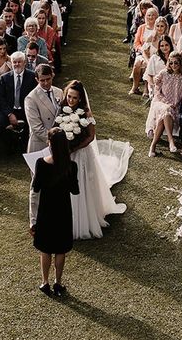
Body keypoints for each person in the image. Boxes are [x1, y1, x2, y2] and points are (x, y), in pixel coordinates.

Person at [58, 80, 130, 240]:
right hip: (66, 154)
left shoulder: (86, 113)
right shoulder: (62, 110)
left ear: (80, 99)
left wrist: (74, 148)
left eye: (74, 98)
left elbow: (91, 136)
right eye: (69, 96)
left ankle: (85, 218)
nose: (71, 100)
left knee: (82, 184)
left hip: (81, 154)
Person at [29, 127, 80, 297]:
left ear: (49, 144)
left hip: (45, 211)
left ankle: (45, 282)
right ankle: (58, 283)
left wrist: (32, 219)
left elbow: (34, 192)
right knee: (60, 250)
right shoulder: (71, 166)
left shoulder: (41, 164)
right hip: (63, 211)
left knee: (45, 249)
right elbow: (75, 190)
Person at [146, 52, 182, 157]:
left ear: (180, 64)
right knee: (166, 109)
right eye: (171, 63)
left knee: (166, 114)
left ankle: (153, 147)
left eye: (176, 63)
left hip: (174, 106)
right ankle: (171, 141)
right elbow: (157, 93)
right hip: (159, 102)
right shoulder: (163, 73)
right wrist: (167, 103)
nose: (173, 65)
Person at [0, 51, 37, 143]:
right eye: (14, 62)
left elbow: (35, 97)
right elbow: (1, 99)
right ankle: (11, 141)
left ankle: (23, 141)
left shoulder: (32, 76)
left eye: (19, 62)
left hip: (26, 110)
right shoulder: (4, 78)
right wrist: (9, 114)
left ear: (24, 63)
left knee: (31, 127)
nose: (17, 64)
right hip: (9, 110)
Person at [25, 64, 63, 152]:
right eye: (42, 80)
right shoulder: (31, 98)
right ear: (37, 80)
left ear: (52, 76)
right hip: (41, 143)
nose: (46, 83)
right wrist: (53, 140)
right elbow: (36, 127)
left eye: (48, 79)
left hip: (59, 142)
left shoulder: (59, 92)